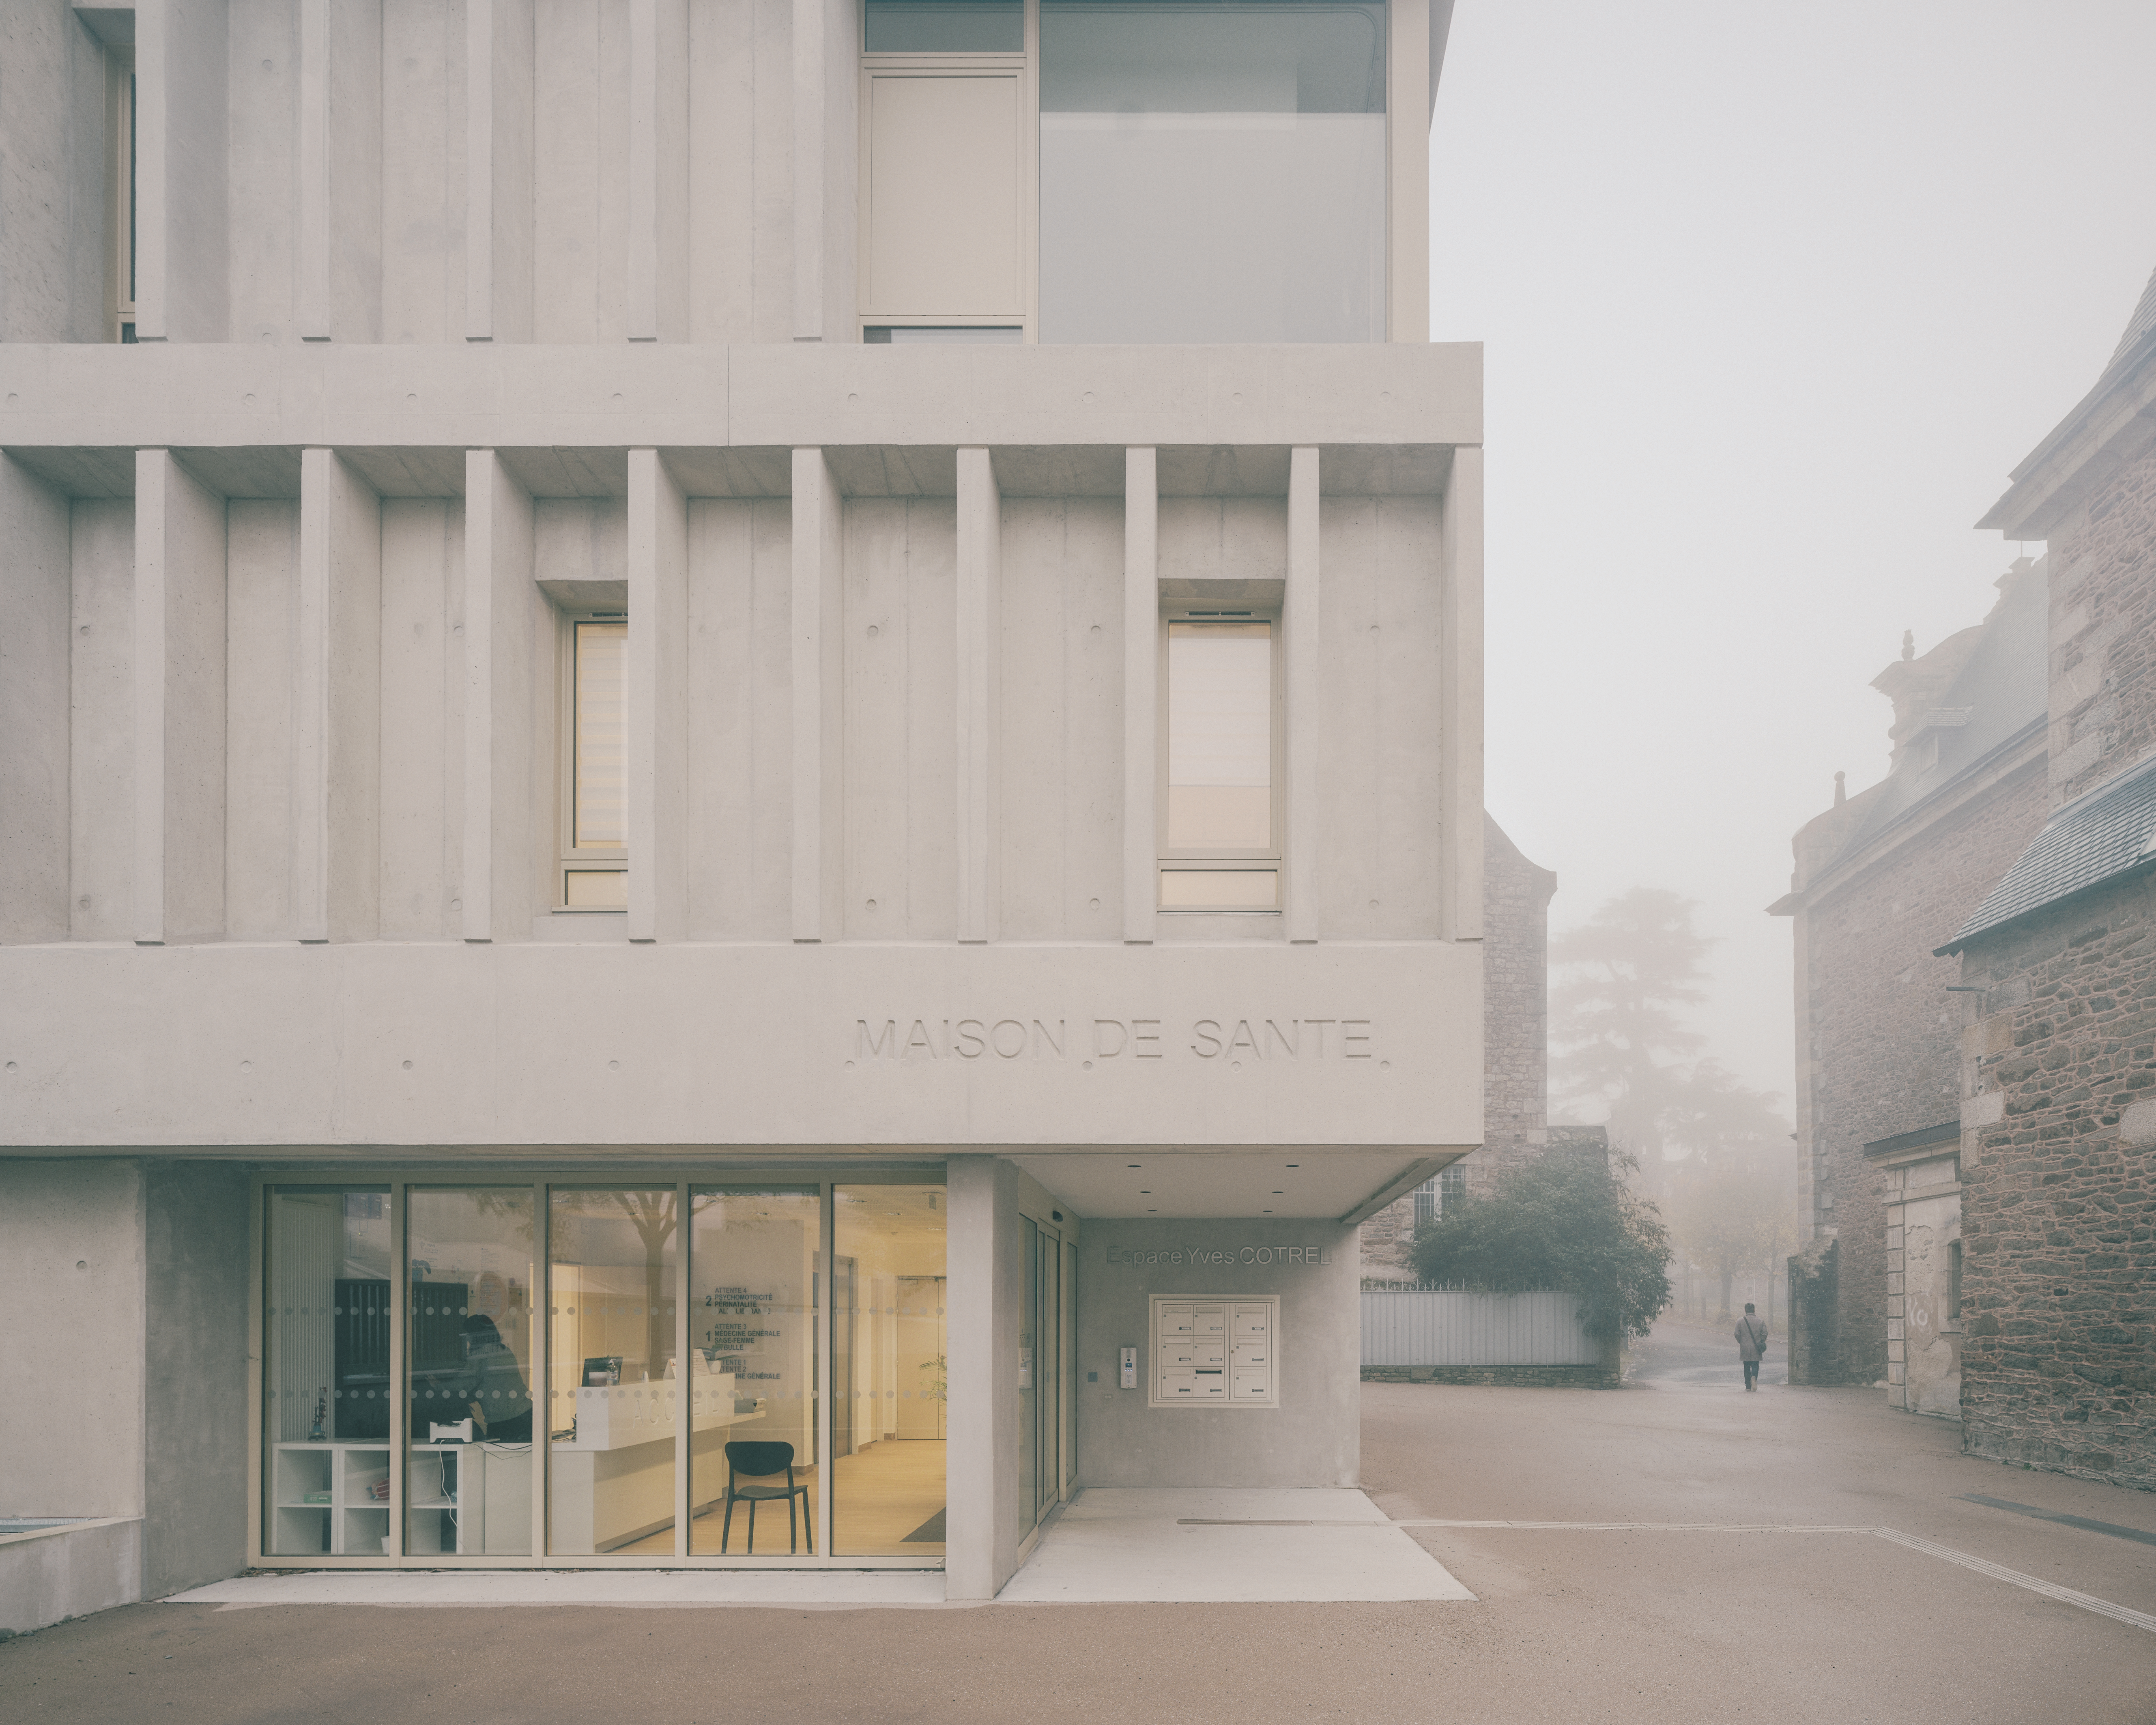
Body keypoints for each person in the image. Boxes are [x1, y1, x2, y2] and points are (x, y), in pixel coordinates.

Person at [441, 1313, 533, 1441]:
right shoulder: (504, 1349)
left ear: (476, 1334)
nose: (466, 1338)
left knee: (495, 1459)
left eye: (468, 1333)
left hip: (505, 1422)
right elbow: (493, 1384)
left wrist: (438, 1386)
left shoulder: (481, 1355)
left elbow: (464, 1384)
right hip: (526, 1413)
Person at [1734, 1303, 1769, 1392]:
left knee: (1746, 1366)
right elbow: (1765, 1333)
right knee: (1755, 1364)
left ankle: (1748, 1386)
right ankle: (1754, 1377)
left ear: (1745, 1311)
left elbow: (1737, 1334)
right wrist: (1761, 1341)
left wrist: (1741, 1341)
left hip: (1745, 1347)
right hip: (1756, 1347)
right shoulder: (1760, 1321)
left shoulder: (1740, 1321)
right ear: (1754, 1310)